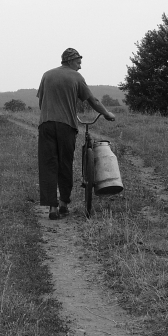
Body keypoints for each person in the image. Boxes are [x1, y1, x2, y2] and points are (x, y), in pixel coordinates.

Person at [37, 48, 116, 220]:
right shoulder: (76, 77)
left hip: (46, 125)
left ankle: (52, 207)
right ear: (70, 61)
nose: (80, 67)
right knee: (65, 164)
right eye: (78, 63)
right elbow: (92, 100)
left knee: (48, 165)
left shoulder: (47, 75)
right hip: (66, 127)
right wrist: (106, 113)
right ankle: (64, 203)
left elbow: (41, 101)